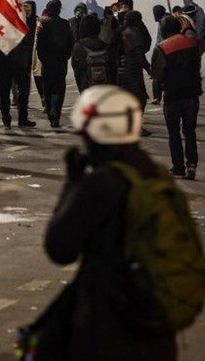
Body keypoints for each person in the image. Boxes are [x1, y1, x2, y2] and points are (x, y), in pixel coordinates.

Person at [40, 86, 180, 359]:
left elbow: (59, 247)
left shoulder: (103, 184)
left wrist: (73, 185)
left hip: (108, 321)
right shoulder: (153, 174)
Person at [151, 16, 204, 180]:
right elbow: (200, 47)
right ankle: (192, 164)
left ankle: (179, 167)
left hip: (172, 96)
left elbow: (157, 76)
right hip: (192, 94)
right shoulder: (191, 42)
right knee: (189, 131)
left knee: (174, 133)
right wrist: (189, 30)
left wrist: (157, 95)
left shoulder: (161, 48)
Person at [36, 0, 73, 128]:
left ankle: (51, 112)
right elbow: (70, 42)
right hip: (60, 62)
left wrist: (42, 58)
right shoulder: (65, 23)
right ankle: (55, 114)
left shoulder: (43, 24)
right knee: (59, 89)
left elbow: (39, 44)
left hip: (47, 62)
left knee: (48, 88)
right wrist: (66, 56)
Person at [71, 14, 114, 93]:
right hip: (105, 87)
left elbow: (77, 71)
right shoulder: (106, 45)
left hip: (87, 87)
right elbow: (113, 67)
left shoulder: (78, 46)